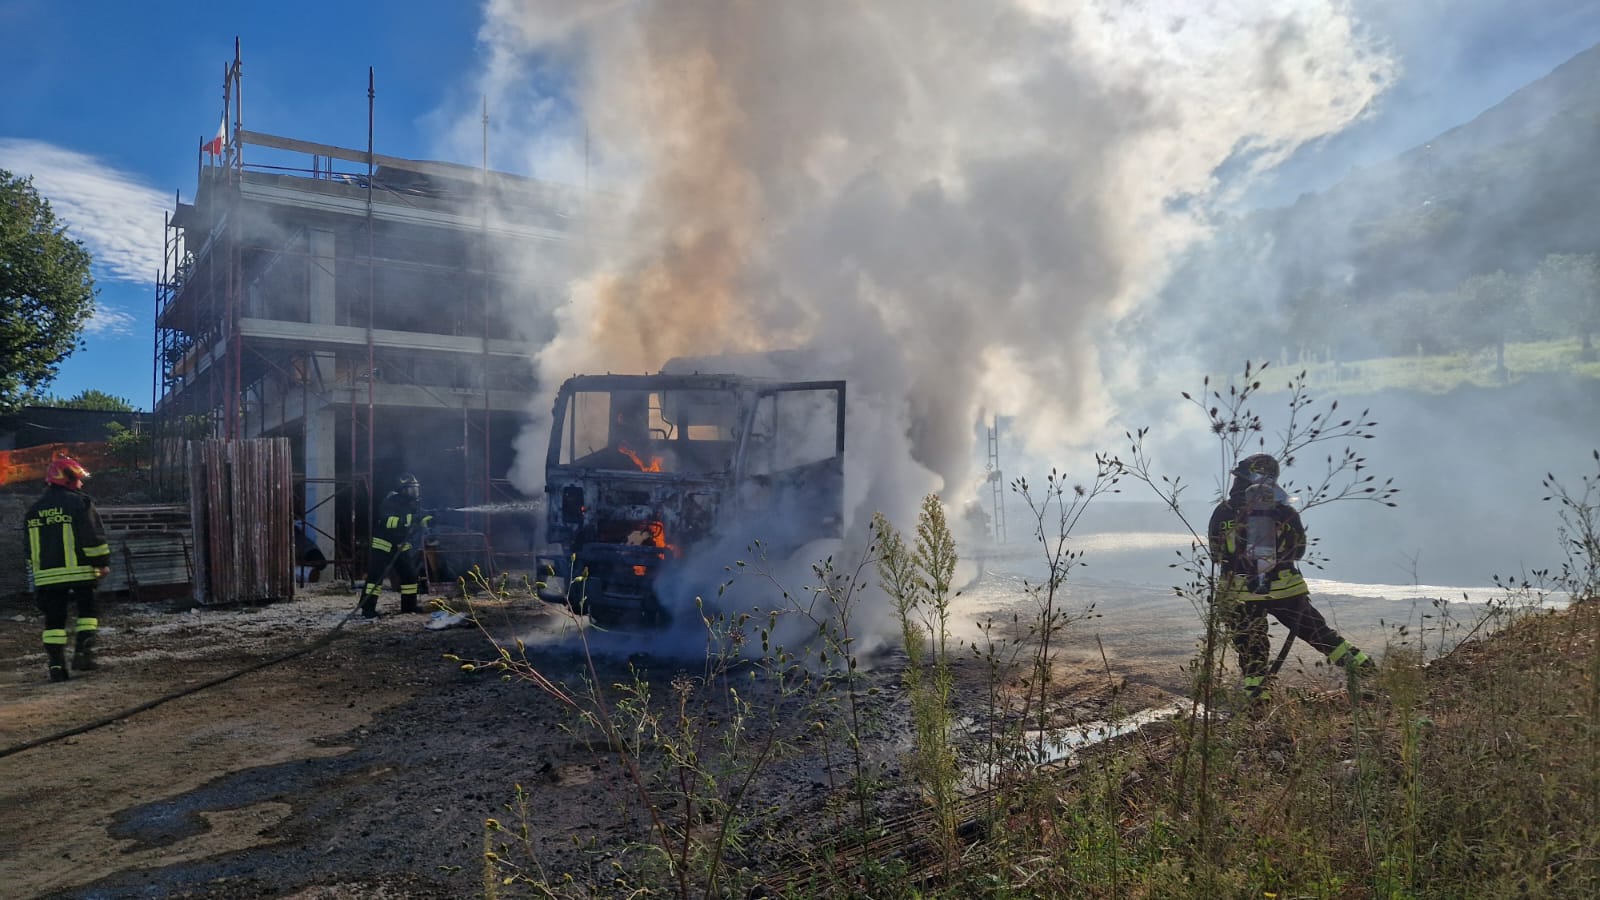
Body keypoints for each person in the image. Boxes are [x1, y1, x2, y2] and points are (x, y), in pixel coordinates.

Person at [1208, 453, 1375, 700]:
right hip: (1286, 590)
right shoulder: (1283, 510)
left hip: (1239, 593)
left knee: (1252, 649)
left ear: (1241, 480)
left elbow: (1216, 554)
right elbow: (1299, 551)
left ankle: (1258, 701)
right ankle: (1365, 670)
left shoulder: (1223, 512)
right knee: (1318, 633)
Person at [24, 456, 111, 682]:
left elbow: (28, 548)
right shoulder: (80, 503)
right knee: (88, 613)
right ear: (68, 479)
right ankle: (83, 654)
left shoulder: (33, 510)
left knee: (53, 622)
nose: (81, 484)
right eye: (79, 479)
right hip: (80, 571)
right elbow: (93, 537)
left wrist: (36, 577)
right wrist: (101, 563)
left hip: (46, 577)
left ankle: (56, 666)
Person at [358, 473, 432, 618]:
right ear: (402, 490)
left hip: (400, 544)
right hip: (383, 544)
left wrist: (426, 519)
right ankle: (367, 609)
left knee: (410, 576)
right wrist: (412, 519)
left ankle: (409, 607)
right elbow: (389, 522)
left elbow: (415, 522)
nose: (415, 492)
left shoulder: (412, 504)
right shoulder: (390, 501)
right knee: (376, 578)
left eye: (416, 489)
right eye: (411, 489)